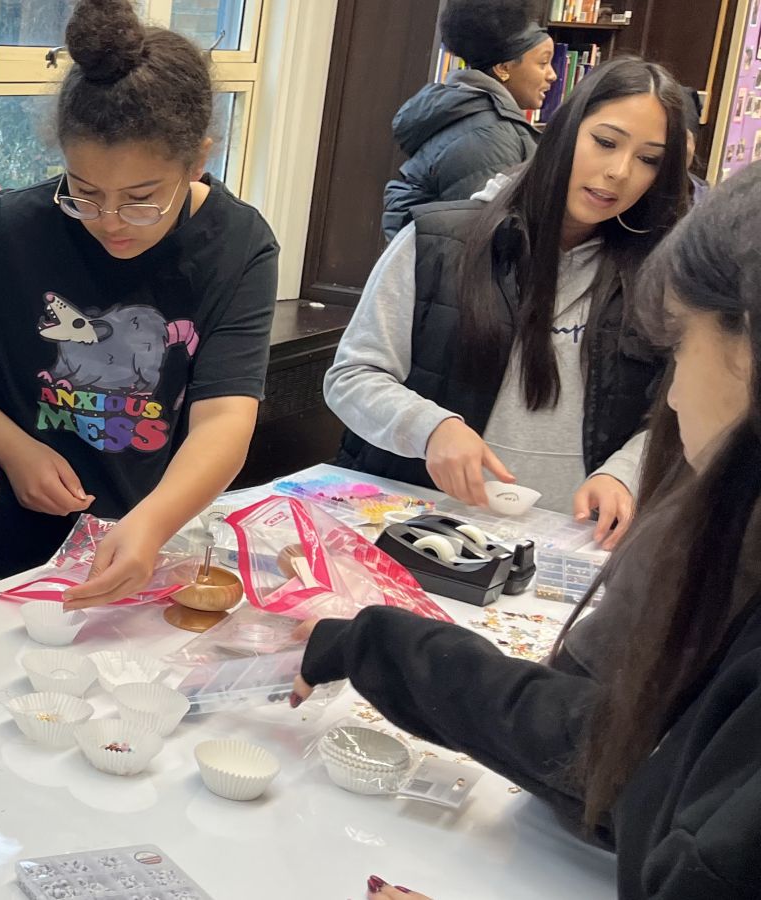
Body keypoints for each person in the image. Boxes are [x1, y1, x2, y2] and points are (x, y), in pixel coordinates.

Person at [302, 161, 761, 900]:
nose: (671, 394)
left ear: (746, 348)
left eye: (679, 347)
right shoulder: (442, 239)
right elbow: (621, 756)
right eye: (606, 142)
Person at [0, 0, 279, 607]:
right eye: (84, 193)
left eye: (142, 199)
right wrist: (16, 450)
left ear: (198, 159)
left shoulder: (237, 245)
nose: (110, 222)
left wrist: (151, 525)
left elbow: (223, 418)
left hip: (137, 542)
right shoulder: (10, 231)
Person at [329, 58, 694, 549]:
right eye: (605, 142)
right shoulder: (440, 241)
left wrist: (625, 474)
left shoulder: (660, 273)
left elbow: (674, 411)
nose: (619, 171)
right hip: (424, 534)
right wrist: (432, 429)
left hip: (571, 544)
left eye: (649, 159)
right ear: (566, 131)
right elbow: (352, 377)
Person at [384, 0, 556, 239]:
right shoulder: (489, 137)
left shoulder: (477, 117)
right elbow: (485, 242)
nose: (553, 75)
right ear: (504, 68)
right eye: (543, 62)